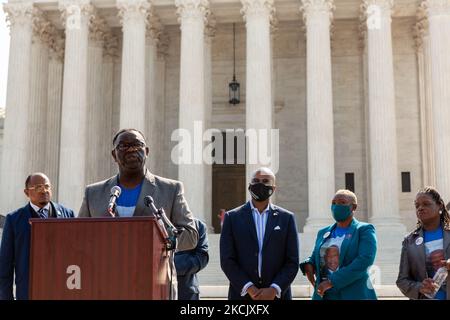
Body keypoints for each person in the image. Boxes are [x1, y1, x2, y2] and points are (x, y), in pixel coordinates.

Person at [78, 128, 198, 251]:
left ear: (146, 152)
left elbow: (191, 237)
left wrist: (154, 239)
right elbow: (77, 236)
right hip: (105, 268)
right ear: (114, 155)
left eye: (137, 145)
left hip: (153, 268)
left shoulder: (170, 190)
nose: (131, 150)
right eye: (123, 146)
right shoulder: (93, 193)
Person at [220, 167, 299, 300]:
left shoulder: (287, 218)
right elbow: (227, 260)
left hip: (277, 296)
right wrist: (249, 287)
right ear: (249, 186)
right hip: (242, 296)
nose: (260, 184)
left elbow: (292, 261)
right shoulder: (232, 217)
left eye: (265, 181)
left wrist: (275, 289)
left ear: (273, 188)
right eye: (256, 181)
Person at [0, 173, 75, 300]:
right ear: (26, 192)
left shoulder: (67, 214)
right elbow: (4, 266)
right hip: (28, 292)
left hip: (62, 290)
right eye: (38, 187)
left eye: (47, 186)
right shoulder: (14, 220)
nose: (44, 191)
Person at [300, 189, 377, 300]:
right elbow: (315, 256)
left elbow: (365, 260)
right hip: (324, 294)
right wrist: (308, 264)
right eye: (333, 203)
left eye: (342, 202)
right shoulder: (323, 232)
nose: (336, 206)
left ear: (353, 207)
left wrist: (332, 281)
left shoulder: (364, 230)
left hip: (353, 294)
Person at [397, 187, 450, 300]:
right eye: (417, 206)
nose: (420, 208)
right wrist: (420, 287)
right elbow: (402, 280)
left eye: (426, 204)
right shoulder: (409, 241)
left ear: (440, 205)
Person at [175, 218, 209, 300]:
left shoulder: (198, 225)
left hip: (187, 291)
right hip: (152, 289)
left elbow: (201, 258)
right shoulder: (152, 223)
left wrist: (168, 266)